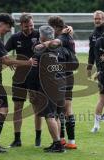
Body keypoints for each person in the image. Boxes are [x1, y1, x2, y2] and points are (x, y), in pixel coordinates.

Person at [0, 13, 37, 153]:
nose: (9, 30)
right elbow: (6, 60)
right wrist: (27, 62)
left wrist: (9, 61)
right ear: (1, 24)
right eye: (8, 27)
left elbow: (4, 58)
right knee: (4, 110)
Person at [28, 25, 77, 153]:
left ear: (42, 36)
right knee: (56, 116)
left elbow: (33, 69)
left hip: (48, 86)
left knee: (49, 116)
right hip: (62, 85)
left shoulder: (40, 50)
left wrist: (32, 88)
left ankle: (57, 144)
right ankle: (59, 141)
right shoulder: (62, 49)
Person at [5, 13, 43, 147]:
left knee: (36, 106)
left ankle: (38, 137)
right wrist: (11, 62)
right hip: (19, 78)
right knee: (17, 107)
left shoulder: (39, 34)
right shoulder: (15, 38)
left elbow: (54, 40)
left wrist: (68, 30)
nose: (30, 28)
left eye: (31, 26)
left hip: (35, 77)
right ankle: (17, 139)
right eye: (26, 26)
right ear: (21, 25)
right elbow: (3, 52)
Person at [48, 15, 77, 149]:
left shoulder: (61, 39)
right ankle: (66, 140)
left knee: (64, 108)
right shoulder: (68, 36)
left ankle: (69, 141)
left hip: (63, 75)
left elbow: (54, 45)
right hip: (69, 74)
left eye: (51, 28)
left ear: (55, 27)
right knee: (64, 108)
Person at [87, 10, 104, 121]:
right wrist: (89, 66)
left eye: (99, 19)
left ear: (103, 20)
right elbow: (91, 52)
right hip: (100, 67)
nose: (97, 20)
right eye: (95, 19)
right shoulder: (92, 35)